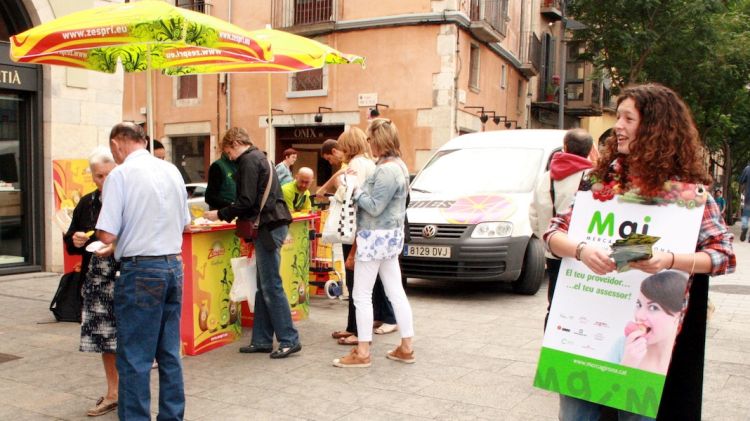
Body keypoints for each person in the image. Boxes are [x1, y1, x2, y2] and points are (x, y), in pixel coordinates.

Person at [545, 84, 735, 420]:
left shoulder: (687, 195)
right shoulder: (598, 181)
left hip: (647, 339)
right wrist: (582, 249)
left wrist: (669, 260)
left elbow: (723, 254)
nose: (617, 125)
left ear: (655, 128)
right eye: (618, 117)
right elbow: (553, 232)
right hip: (584, 331)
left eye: (627, 118)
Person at [96, 122, 190, 420]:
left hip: (141, 270)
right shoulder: (171, 170)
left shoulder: (120, 175)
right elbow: (185, 223)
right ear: (144, 141)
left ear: (116, 144)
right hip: (172, 265)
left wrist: (103, 235)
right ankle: (171, 416)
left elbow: (107, 234)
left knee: (135, 356)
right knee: (169, 353)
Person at [203, 127, 302, 359]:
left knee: (270, 286)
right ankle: (262, 339)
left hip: (267, 227)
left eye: (228, 151)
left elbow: (246, 200)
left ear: (236, 142)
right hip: (273, 225)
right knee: (264, 285)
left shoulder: (248, 161)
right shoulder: (262, 157)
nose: (229, 156)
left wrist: (220, 213)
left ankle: (289, 339)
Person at [333, 118, 415, 368]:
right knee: (395, 292)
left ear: (378, 140)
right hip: (390, 238)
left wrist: (354, 190)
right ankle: (406, 347)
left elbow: (375, 206)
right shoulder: (398, 166)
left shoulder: (387, 169)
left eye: (370, 139)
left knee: (361, 294)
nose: (368, 144)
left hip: (374, 238)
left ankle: (363, 352)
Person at [328, 127, 398, 347]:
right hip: (370, 230)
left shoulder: (357, 164)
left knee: (356, 284)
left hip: (355, 229)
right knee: (370, 283)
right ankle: (354, 327)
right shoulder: (370, 163)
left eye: (341, 145)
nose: (339, 149)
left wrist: (339, 185)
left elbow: (350, 196)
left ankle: (357, 331)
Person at [63, 146, 118, 417]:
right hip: (95, 280)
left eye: (109, 174)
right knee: (104, 340)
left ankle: (130, 393)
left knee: (129, 339)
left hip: (124, 277)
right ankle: (113, 393)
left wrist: (116, 245)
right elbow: (72, 236)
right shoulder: (87, 202)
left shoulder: (129, 199)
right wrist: (74, 238)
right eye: (99, 176)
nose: (104, 180)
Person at [529, 128, 593, 330]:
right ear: (590, 150)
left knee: (554, 303)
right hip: (583, 254)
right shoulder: (592, 178)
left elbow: (533, 214)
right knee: (581, 306)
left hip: (554, 252)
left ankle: (551, 344)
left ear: (565, 147)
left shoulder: (546, 177)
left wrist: (547, 241)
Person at [612, 271, 688, 375]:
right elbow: (598, 389)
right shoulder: (622, 346)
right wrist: (626, 366)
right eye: (639, 304)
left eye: (653, 307)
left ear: (679, 315)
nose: (639, 315)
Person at [740, 163, 750, 241]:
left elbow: (741, 181)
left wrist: (742, 191)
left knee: (746, 212)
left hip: (748, 195)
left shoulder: (747, 168)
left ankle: (745, 226)